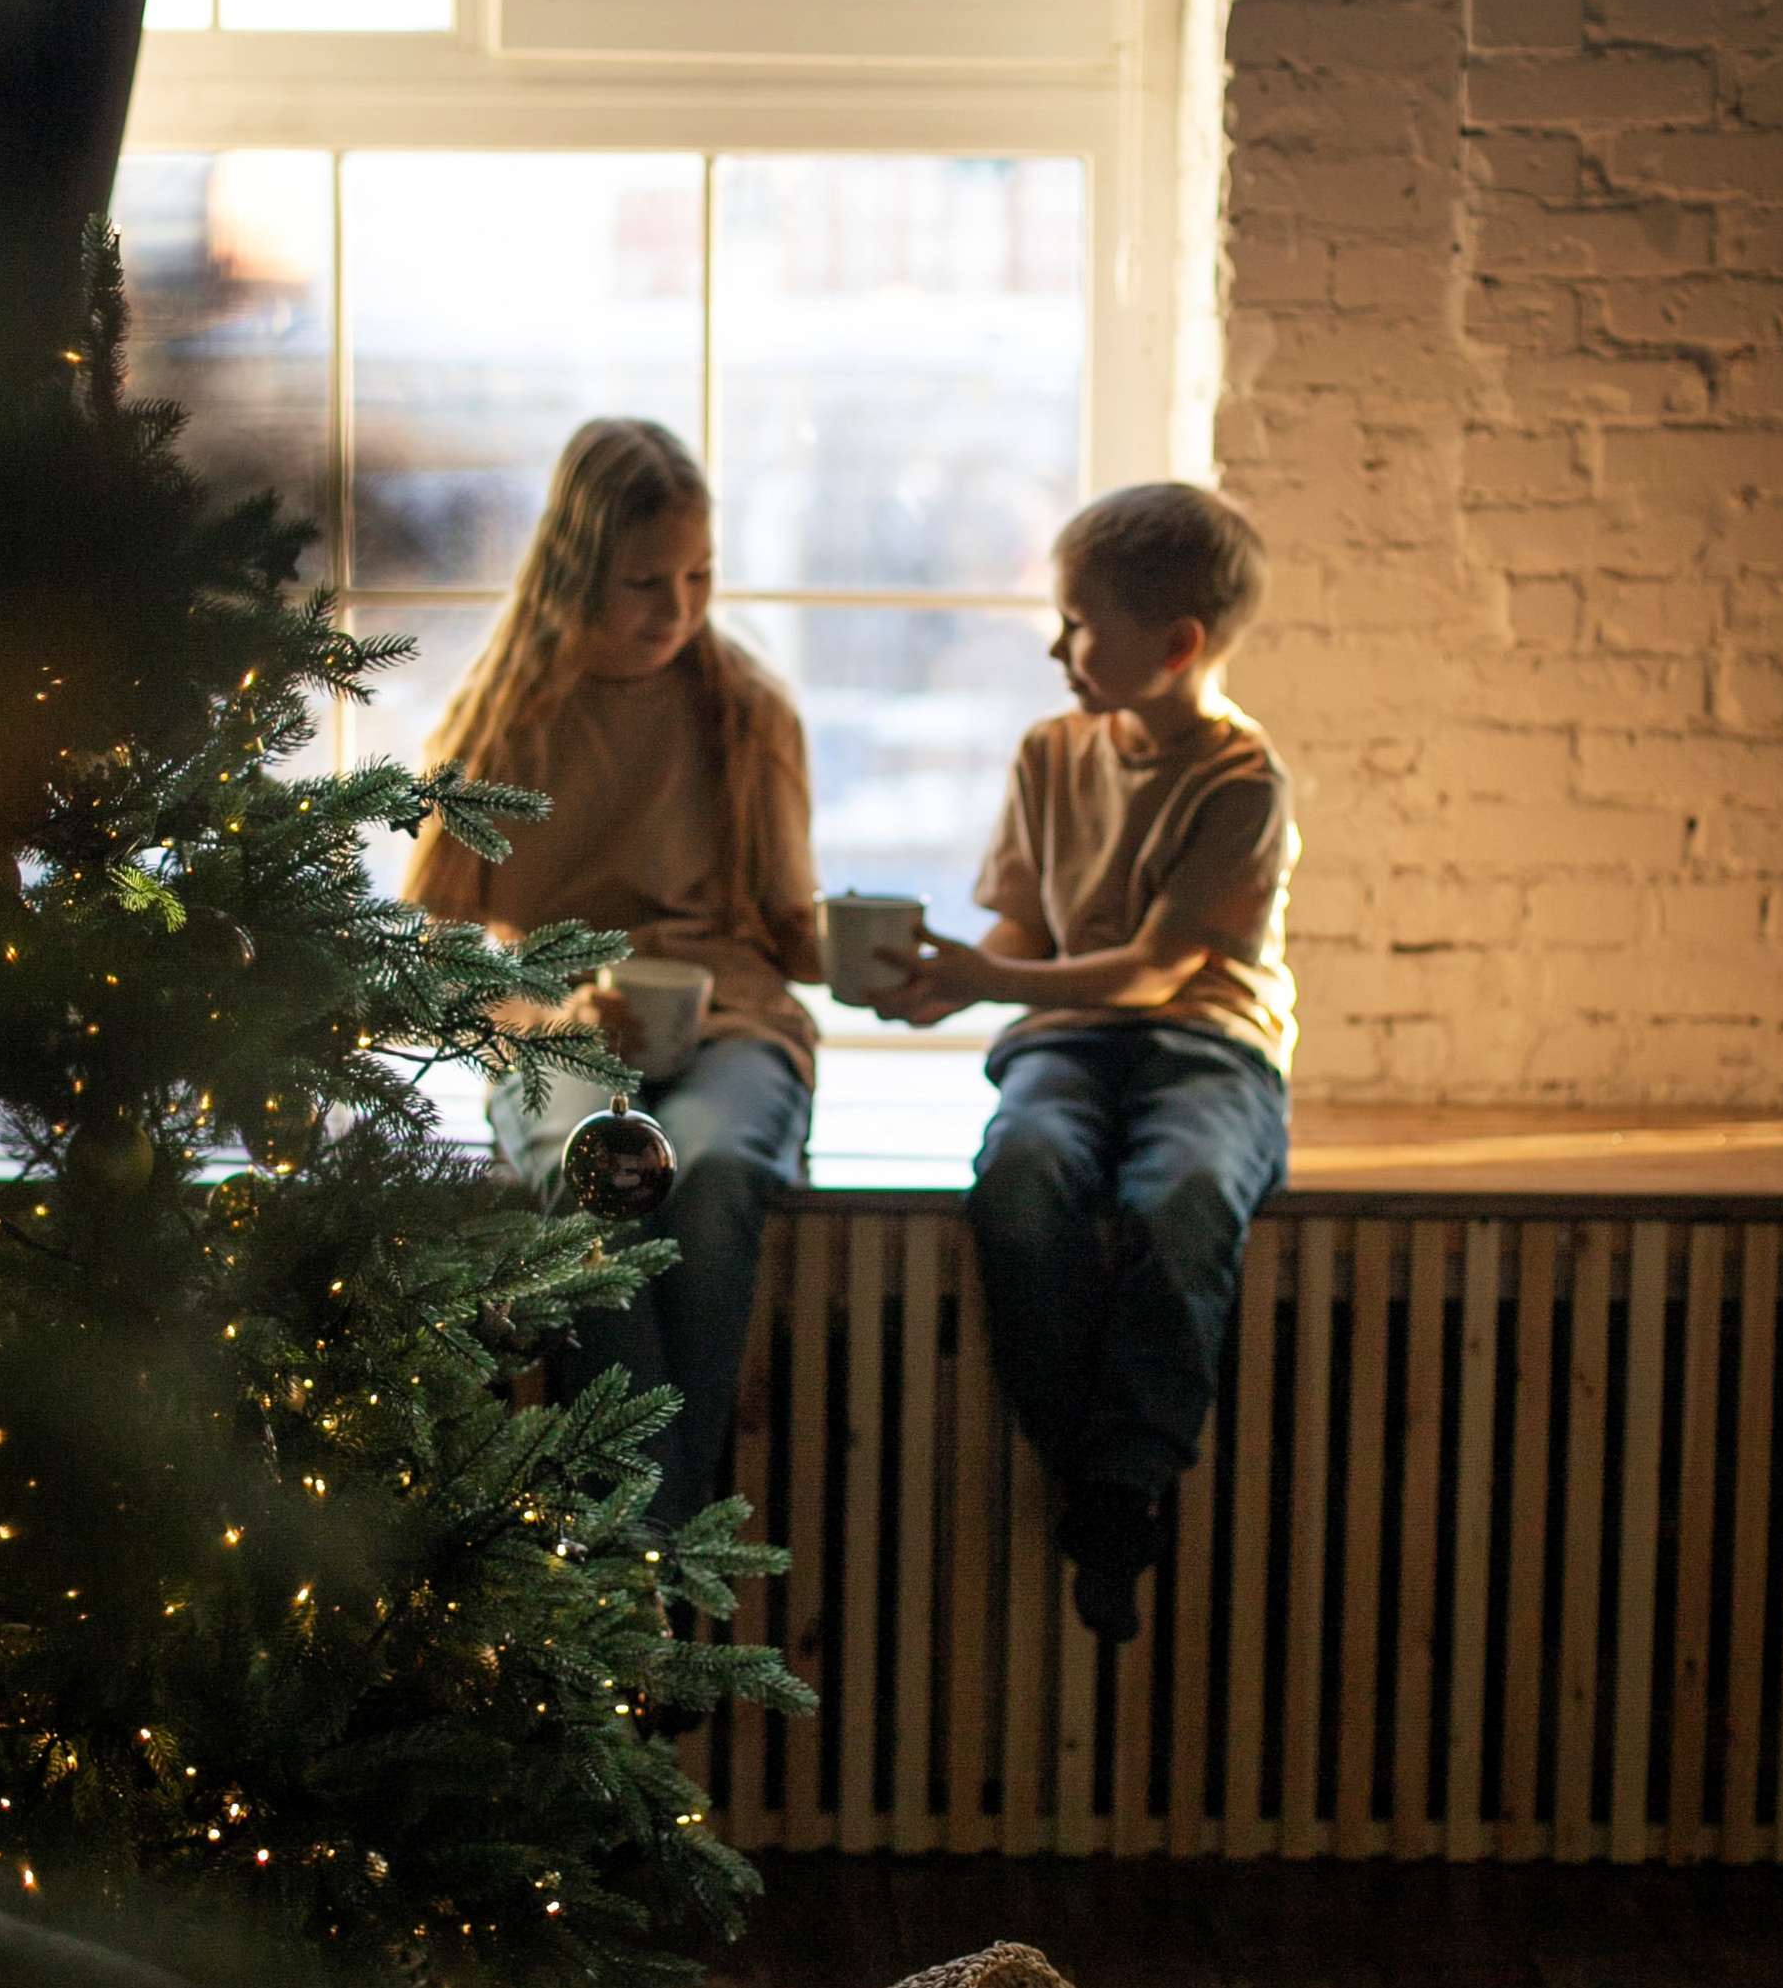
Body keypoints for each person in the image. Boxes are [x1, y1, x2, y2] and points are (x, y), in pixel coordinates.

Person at [872, 481, 1297, 1642]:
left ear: (1176, 647)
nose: (1055, 645)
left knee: (1185, 1196)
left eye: (1077, 623)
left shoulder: (1241, 782)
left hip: (1206, 1043)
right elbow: (1025, 931)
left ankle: (1126, 1481)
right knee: (1019, 1179)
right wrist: (934, 988)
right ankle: (1099, 1480)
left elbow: (1157, 971)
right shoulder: (1049, 752)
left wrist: (983, 979)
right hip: (1066, 1038)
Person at [402, 418, 820, 1522]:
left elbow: (793, 934)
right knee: (604, 1180)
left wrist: (905, 959)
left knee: (719, 1176)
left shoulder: (746, 712)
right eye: (644, 580)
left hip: (733, 1024)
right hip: (560, 1033)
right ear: (574, 568)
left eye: (700, 576)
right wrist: (547, 1019)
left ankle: (641, 1569)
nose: (677, 610)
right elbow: (438, 959)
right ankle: (664, 1560)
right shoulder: (505, 725)